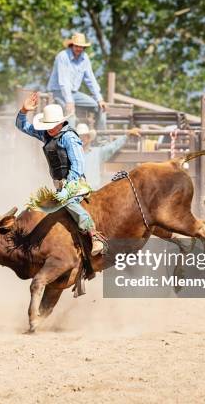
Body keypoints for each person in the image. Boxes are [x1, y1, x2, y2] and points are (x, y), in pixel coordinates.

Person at [16, 92, 105, 256]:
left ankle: (94, 234)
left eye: (52, 124)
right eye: (47, 124)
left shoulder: (69, 137)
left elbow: (78, 165)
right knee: (38, 208)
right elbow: (23, 126)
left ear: (61, 122)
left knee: (69, 201)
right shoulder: (47, 134)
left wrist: (68, 188)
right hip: (59, 186)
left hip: (76, 184)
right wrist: (23, 110)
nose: (49, 128)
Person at [47, 32, 107, 130]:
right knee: (70, 113)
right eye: (77, 46)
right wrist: (69, 101)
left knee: (100, 107)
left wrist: (99, 98)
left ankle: (100, 140)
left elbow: (90, 79)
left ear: (84, 47)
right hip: (58, 92)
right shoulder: (62, 56)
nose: (79, 48)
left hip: (74, 93)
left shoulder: (85, 58)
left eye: (81, 46)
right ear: (72, 45)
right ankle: (70, 142)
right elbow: (63, 81)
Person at [77, 123, 141, 189]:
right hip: (78, 193)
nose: (82, 138)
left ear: (88, 138)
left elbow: (112, 147)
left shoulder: (97, 152)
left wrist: (127, 135)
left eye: (84, 136)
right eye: (79, 136)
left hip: (93, 193)